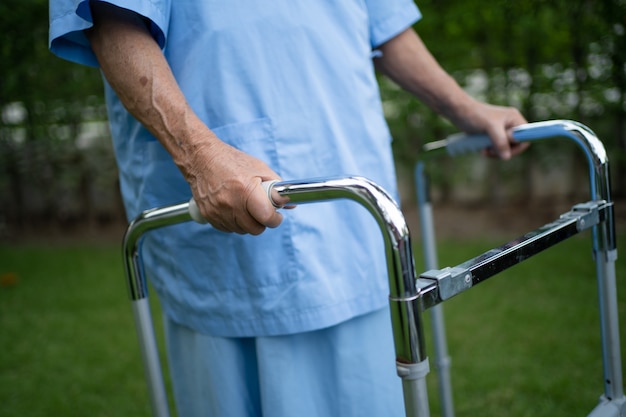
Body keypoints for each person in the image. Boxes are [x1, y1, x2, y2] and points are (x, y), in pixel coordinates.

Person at [49, 1, 528, 416]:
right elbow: (112, 20)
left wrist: (468, 108)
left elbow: (385, 22)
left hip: (360, 219)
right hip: (237, 238)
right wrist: (202, 156)